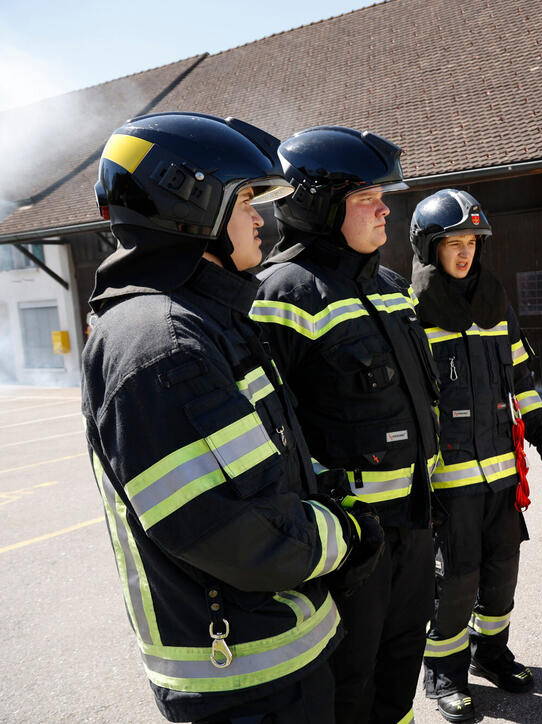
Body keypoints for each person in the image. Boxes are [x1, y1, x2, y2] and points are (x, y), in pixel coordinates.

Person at [83, 112, 383, 724]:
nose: (261, 219)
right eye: (246, 199)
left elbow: (267, 459)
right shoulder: (161, 344)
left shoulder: (208, 321)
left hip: (276, 653)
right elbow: (234, 532)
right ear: (189, 205)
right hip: (245, 682)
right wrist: (344, 539)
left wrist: (330, 499)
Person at [250, 125, 440, 724]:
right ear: (319, 205)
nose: (387, 208)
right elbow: (270, 435)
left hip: (414, 525)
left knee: (401, 669)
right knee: (347, 684)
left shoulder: (390, 288)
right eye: (368, 198)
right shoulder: (279, 296)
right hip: (348, 546)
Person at [408, 189, 542, 722]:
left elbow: (521, 378)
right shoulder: (411, 313)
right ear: (429, 248)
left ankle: (491, 654)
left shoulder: (497, 303)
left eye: (472, 242)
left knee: (502, 575)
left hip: (502, 475)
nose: (465, 253)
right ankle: (445, 675)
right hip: (449, 480)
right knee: (454, 582)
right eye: (453, 243)